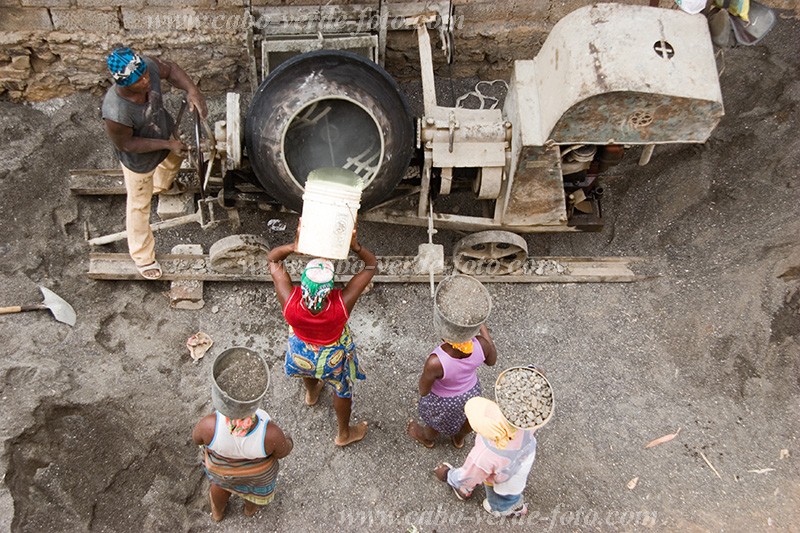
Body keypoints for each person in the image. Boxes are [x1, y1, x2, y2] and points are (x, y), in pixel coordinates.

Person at [102, 46, 207, 280]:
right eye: (139, 80)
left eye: (146, 74)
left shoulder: (145, 66)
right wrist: (168, 145)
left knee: (172, 163)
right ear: (124, 83)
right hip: (138, 160)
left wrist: (192, 90)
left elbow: (171, 70)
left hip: (163, 133)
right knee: (139, 205)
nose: (147, 80)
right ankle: (142, 257)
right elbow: (127, 145)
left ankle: (161, 187)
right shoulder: (115, 112)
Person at [267, 228, 377, 446]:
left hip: (301, 354)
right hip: (332, 358)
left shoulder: (290, 301)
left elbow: (272, 259)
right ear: (329, 288)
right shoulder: (341, 304)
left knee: (307, 368)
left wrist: (293, 246)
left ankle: (312, 394)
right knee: (341, 389)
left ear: (304, 283)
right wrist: (356, 247)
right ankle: (344, 434)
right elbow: (371, 266)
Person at [433, 396, 537, 518]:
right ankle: (513, 504)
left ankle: (508, 509)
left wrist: (449, 476)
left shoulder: (485, 454)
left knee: (502, 497)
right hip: (521, 460)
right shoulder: (528, 423)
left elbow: (469, 477)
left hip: (503, 477)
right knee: (513, 489)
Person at [192, 401, 293, 522]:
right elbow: (281, 453)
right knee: (253, 494)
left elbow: (197, 440)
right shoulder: (271, 434)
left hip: (222, 472)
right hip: (255, 476)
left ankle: (217, 513)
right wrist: (288, 442)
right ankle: (249, 510)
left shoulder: (208, 425)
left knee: (219, 487)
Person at [407, 323, 497, 449]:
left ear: (444, 334)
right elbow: (492, 361)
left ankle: (426, 438)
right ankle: (459, 439)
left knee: (436, 422)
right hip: (471, 392)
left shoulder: (436, 362)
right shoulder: (482, 344)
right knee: (468, 416)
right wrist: (483, 328)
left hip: (444, 401)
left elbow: (423, 391)